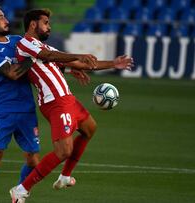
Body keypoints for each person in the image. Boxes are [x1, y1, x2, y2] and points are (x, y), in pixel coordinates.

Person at [10, 9, 133, 202]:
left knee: (90, 128)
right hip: (54, 102)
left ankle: (65, 176)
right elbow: (50, 56)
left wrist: (113, 64)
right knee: (63, 151)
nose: (49, 26)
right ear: (33, 25)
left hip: (67, 99)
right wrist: (78, 57)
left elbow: (77, 63)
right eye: (45, 22)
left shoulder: (42, 46)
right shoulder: (26, 44)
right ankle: (21, 189)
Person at [0, 5, 96, 203]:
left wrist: (63, 67)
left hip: (27, 109)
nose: (6, 20)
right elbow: (13, 73)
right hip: (3, 110)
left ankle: (19, 196)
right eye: (0, 17)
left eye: (5, 15)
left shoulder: (17, 41)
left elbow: (42, 62)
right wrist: (36, 54)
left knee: (33, 159)